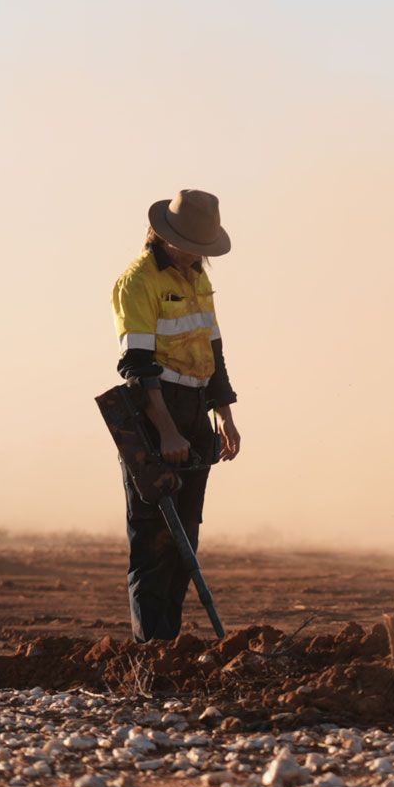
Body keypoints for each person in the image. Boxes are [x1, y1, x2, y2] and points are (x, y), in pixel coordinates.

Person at [111, 189, 240, 642]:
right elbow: (138, 369)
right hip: (153, 413)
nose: (198, 256)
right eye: (193, 247)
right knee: (154, 543)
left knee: (186, 540)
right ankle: (152, 651)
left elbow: (213, 351)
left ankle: (173, 647)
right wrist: (165, 432)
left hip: (195, 412)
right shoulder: (139, 282)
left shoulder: (198, 279)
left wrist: (224, 415)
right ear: (167, 237)